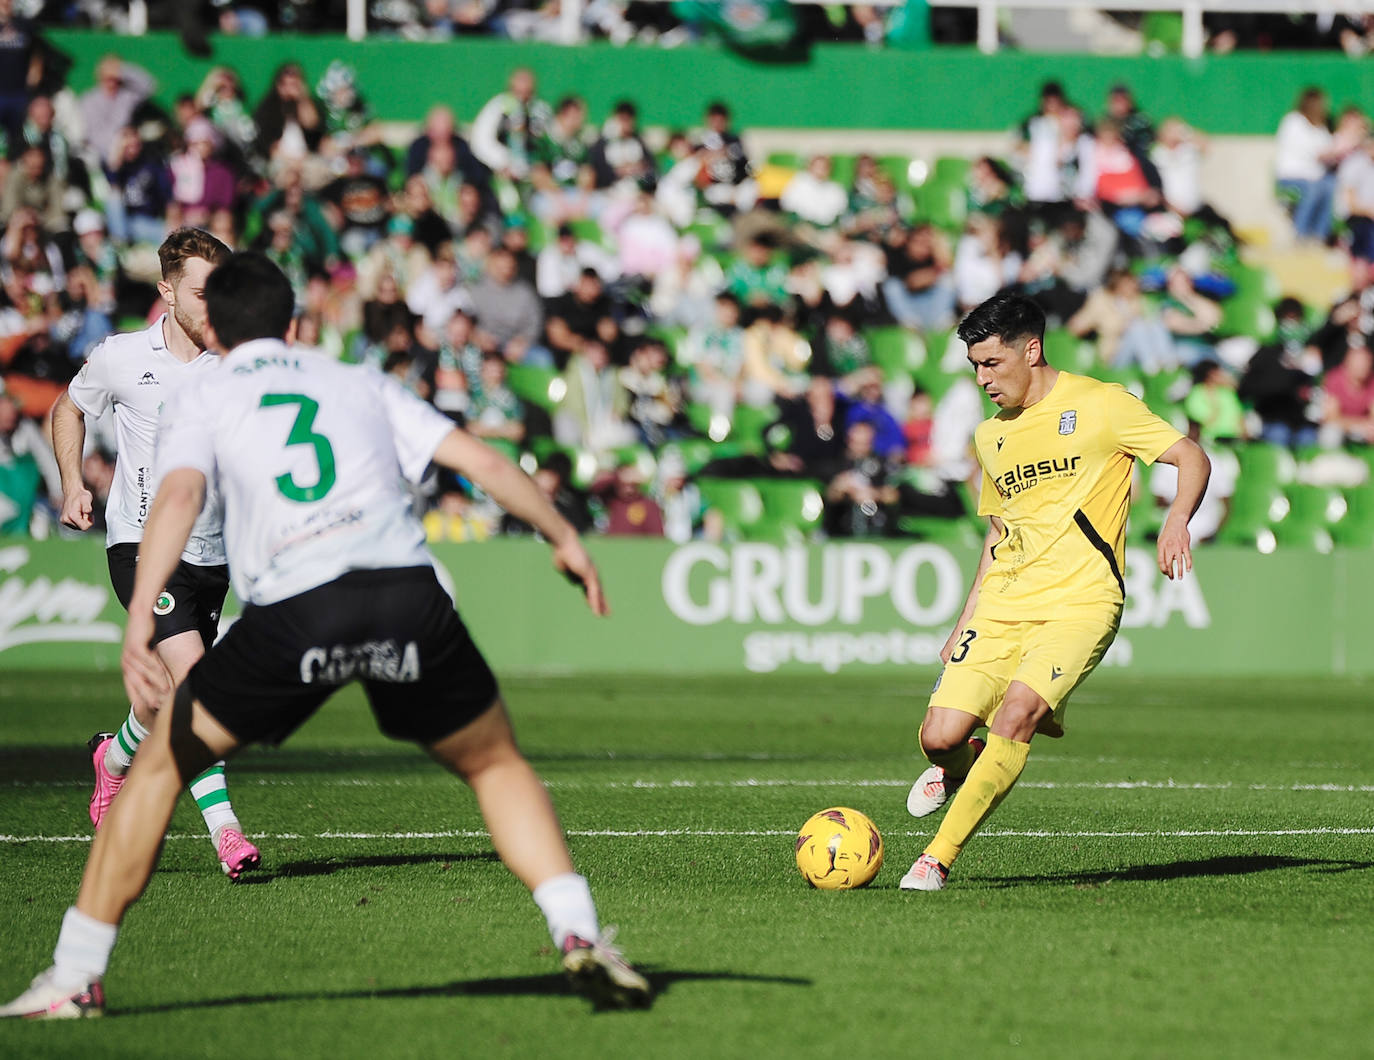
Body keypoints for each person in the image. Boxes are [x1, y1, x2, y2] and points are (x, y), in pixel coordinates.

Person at [0, 251, 650, 1021]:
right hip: (407, 594)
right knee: (493, 762)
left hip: (299, 607)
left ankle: (76, 976)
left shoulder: (203, 394)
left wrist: (140, 617)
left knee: (161, 768)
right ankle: (578, 932)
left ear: (216, 324)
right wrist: (563, 537)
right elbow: (478, 459)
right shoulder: (355, 379)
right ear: (298, 324)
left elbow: (176, 494)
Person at [899, 293, 1209, 891]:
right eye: (975, 366)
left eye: (992, 363)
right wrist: (965, 620)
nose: (983, 379)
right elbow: (999, 534)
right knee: (939, 737)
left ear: (1031, 349)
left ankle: (935, 859)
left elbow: (1190, 456)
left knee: (1016, 716)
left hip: (1082, 602)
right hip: (1004, 604)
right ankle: (958, 771)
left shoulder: (1102, 404)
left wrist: (1175, 521)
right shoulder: (991, 437)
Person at [47, 228, 260, 880]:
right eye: (201, 292)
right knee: (193, 685)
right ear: (167, 291)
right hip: (143, 548)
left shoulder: (238, 361)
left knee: (159, 699)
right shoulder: (121, 357)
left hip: (213, 557)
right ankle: (227, 833)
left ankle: (113, 760)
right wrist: (74, 480)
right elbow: (66, 409)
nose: (212, 305)